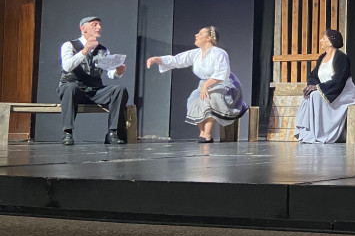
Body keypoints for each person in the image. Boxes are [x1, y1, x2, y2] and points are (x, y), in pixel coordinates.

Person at [145, 26, 248, 143]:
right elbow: (177, 60)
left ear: (209, 38)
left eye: (200, 34)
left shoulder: (219, 53)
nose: (196, 35)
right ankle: (202, 132)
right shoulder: (196, 53)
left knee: (212, 97)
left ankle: (207, 133)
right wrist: (156, 59)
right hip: (205, 84)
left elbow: (222, 73)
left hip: (225, 85)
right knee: (193, 99)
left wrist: (206, 86)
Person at [59, 16, 129, 145]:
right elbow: (67, 66)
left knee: (119, 90)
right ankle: (67, 133)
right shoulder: (69, 45)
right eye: (94, 24)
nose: (99, 27)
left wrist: (117, 72)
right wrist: (85, 50)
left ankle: (113, 133)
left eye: (100, 25)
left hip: (95, 90)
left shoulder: (103, 50)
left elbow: (110, 73)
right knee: (70, 87)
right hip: (74, 88)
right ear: (83, 28)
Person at [294, 29, 355, 143]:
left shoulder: (341, 58)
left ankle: (323, 133)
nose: (320, 40)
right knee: (308, 96)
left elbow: (339, 80)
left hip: (342, 92)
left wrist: (318, 88)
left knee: (315, 96)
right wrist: (311, 86)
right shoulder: (322, 58)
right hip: (326, 90)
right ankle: (310, 132)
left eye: (323, 38)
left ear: (330, 42)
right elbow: (313, 76)